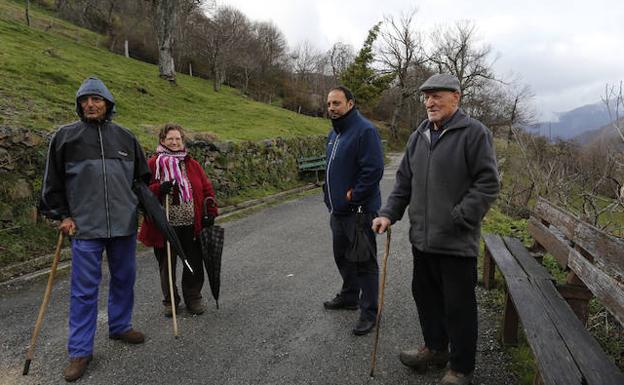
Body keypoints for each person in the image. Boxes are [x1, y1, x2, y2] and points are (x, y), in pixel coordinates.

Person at [372, 74, 500, 385]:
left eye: (437, 96)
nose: (430, 102)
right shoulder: (419, 136)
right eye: (426, 97)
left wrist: (461, 216)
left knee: (458, 307)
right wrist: (388, 214)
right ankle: (435, 349)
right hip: (423, 241)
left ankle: (460, 367)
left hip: (456, 242)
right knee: (426, 298)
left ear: (456, 97)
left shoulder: (474, 133)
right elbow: (404, 183)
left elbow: (488, 183)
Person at [39, 76, 151, 382]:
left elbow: (141, 180)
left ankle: (119, 326)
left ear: (108, 104)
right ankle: (80, 351)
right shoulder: (65, 138)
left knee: (124, 279)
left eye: (96, 99)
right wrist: (62, 215)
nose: (90, 104)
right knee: (84, 291)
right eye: (84, 100)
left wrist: (147, 208)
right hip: (85, 227)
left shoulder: (126, 138)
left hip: (124, 225)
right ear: (79, 105)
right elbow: (52, 183)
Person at [138, 123, 218, 317]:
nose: (174, 142)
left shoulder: (191, 163)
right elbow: (140, 191)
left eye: (178, 139)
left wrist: (211, 212)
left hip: (191, 224)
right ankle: (170, 301)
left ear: (182, 141)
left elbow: (206, 188)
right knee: (167, 266)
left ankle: (193, 297)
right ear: (162, 141)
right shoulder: (153, 163)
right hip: (164, 226)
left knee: (194, 262)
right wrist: (158, 189)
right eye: (170, 139)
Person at [322, 86, 384, 336]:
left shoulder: (365, 131)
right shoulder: (335, 133)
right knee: (342, 256)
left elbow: (374, 170)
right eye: (329, 104)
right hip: (338, 212)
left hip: (360, 212)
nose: (331, 108)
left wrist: (355, 195)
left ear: (350, 104)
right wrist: (329, 197)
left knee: (364, 262)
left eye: (336, 103)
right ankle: (349, 297)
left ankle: (369, 313)